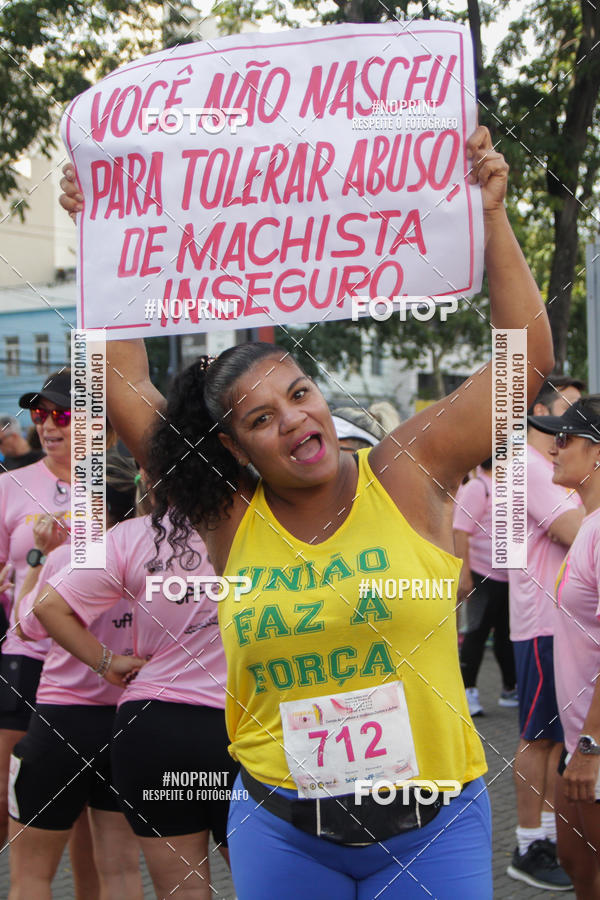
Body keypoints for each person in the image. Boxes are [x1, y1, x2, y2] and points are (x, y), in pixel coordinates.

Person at [61, 125, 554, 897]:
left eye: (298, 395)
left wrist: (493, 214)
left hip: (433, 831)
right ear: (232, 448)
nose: (293, 421)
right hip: (285, 834)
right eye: (260, 419)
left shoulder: (404, 473)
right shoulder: (229, 517)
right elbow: (121, 385)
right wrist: (105, 234)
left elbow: (524, 363)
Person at [31, 500, 236, 899]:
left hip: (151, 726)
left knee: (182, 891)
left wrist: (106, 662)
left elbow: (42, 611)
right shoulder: (262, 519)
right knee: (260, 882)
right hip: (237, 725)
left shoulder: (128, 536)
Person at [8, 452, 144, 900]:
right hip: (124, 721)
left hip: (62, 720)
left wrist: (36, 563)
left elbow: (27, 628)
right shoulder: (150, 560)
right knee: (122, 873)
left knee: (31, 875)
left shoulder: (67, 557)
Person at [507, 376, 584, 891]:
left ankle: (551, 835)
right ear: (539, 413)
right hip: (543, 623)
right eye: (570, 415)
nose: (576, 429)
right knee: (539, 737)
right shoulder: (530, 467)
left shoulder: (547, 468)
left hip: (561, 622)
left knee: (558, 740)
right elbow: (578, 531)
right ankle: (526, 842)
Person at [527, 397, 600, 898]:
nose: (553, 449)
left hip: (595, 743)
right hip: (579, 741)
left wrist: (592, 748)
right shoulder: (588, 523)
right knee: (577, 866)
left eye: (565, 438)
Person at [453, 458, 517, 717]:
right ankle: (468, 691)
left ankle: (510, 689)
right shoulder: (478, 487)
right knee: (476, 634)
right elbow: (460, 532)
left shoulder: (508, 485)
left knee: (505, 635)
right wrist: (464, 574)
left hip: (508, 577)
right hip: (481, 574)